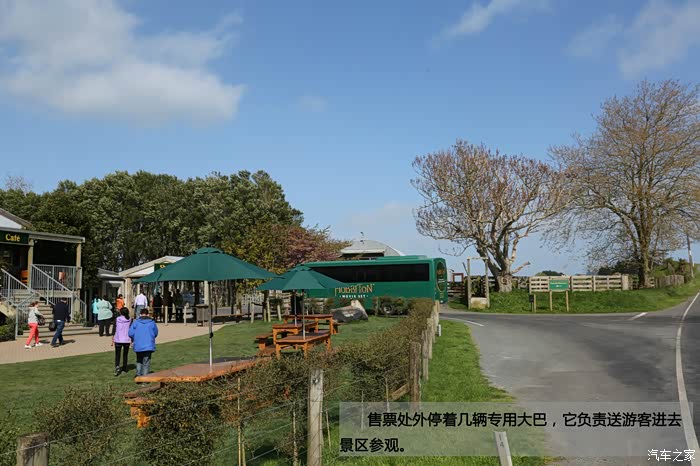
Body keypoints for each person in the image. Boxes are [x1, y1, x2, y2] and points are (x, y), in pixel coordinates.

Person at [128, 307, 158, 380]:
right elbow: (155, 333)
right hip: (148, 345)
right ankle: (145, 378)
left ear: (140, 314)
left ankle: (139, 376)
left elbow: (130, 333)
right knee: (146, 362)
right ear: (147, 314)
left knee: (139, 361)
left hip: (138, 345)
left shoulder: (136, 322)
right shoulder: (152, 323)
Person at [112, 307, 132, 376]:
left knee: (117, 354)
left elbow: (114, 328)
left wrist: (112, 337)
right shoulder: (130, 319)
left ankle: (117, 366)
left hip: (118, 339)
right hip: (127, 339)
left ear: (120, 313)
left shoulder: (117, 319)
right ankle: (125, 367)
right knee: (125, 354)